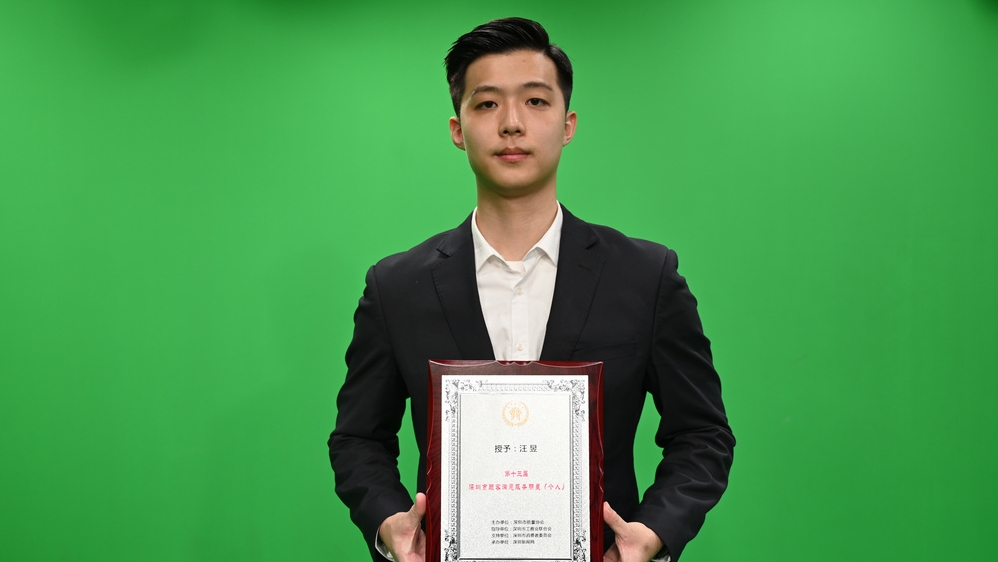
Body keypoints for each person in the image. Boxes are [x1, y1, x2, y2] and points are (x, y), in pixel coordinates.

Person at [328, 17, 734, 562]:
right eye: (487, 104)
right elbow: (357, 439)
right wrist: (389, 524)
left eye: (536, 102)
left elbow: (702, 434)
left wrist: (653, 532)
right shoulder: (396, 287)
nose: (512, 124)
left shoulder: (645, 276)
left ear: (567, 124)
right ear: (457, 129)